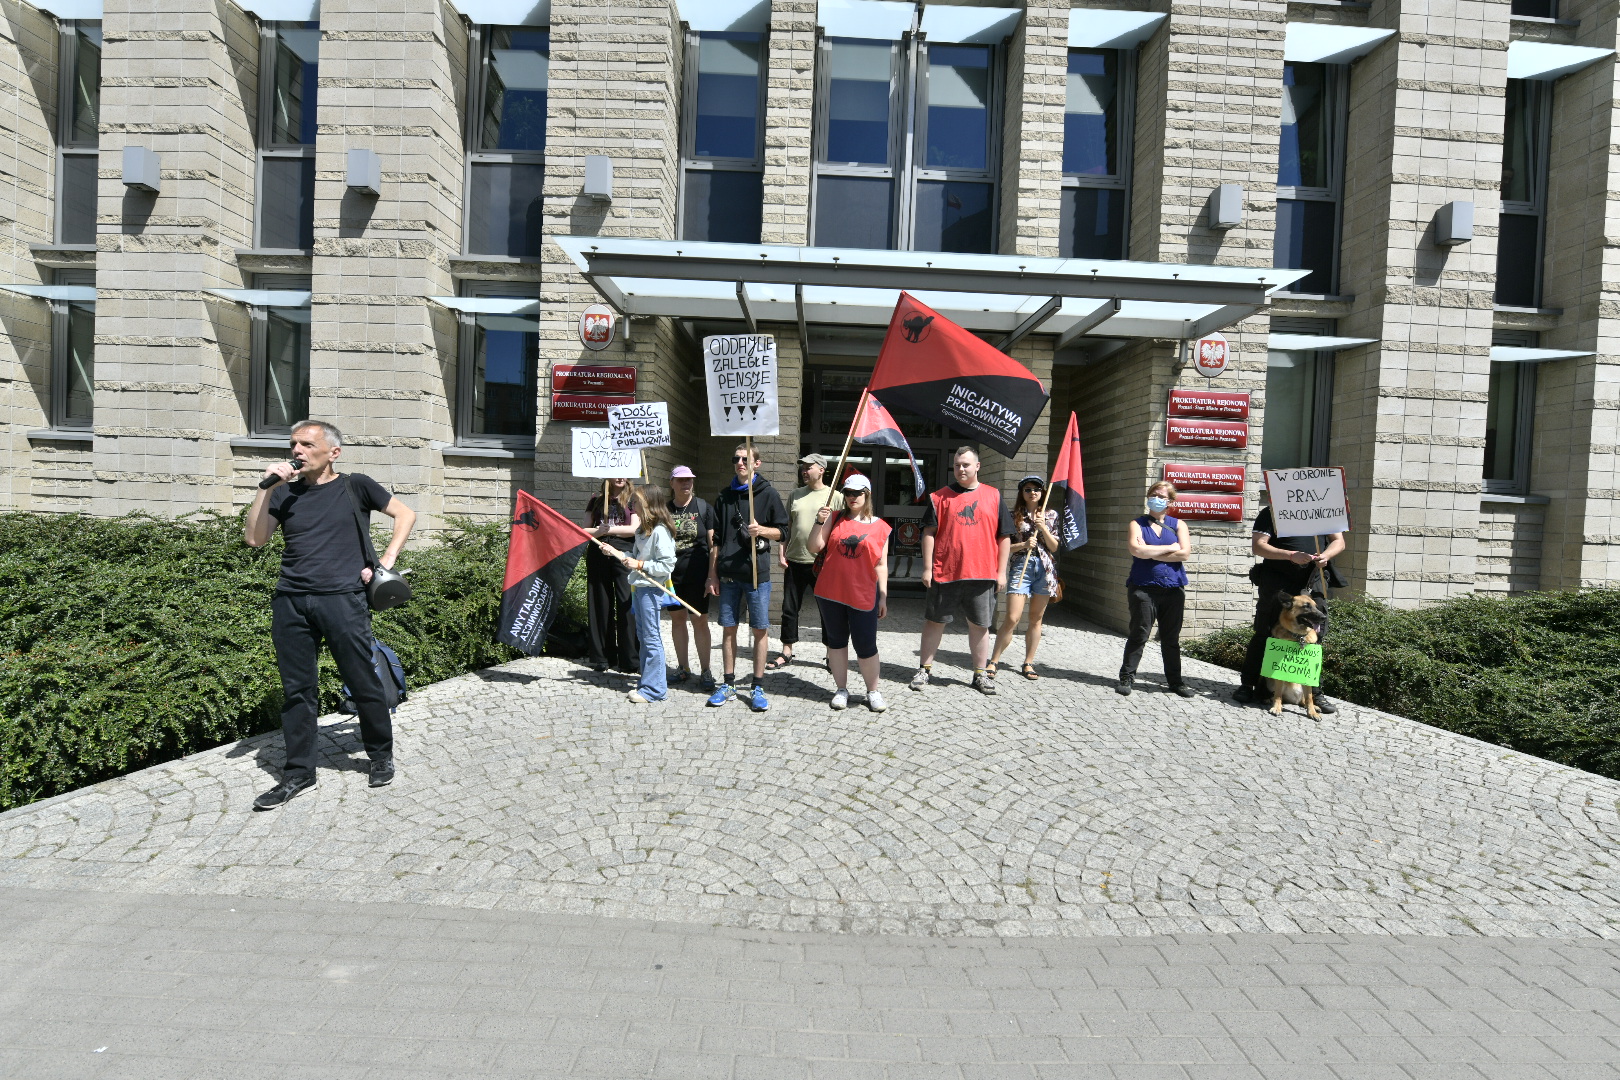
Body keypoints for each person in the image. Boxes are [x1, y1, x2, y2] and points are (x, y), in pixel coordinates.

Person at [243, 419, 416, 809]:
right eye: (293, 444)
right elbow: (255, 539)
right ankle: (299, 773)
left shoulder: (356, 485)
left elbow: (405, 515)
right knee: (297, 691)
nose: (297, 451)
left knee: (361, 678)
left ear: (333, 452)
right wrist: (264, 488)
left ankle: (380, 754)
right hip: (291, 601)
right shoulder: (282, 493)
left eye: (306, 444)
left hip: (343, 598)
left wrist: (386, 560)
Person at [912, 446, 1013, 696]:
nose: (961, 469)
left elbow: (1004, 537)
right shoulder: (939, 497)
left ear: (977, 466)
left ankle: (980, 674)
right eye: (957, 465)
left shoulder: (994, 496)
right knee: (934, 621)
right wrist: (927, 568)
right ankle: (925, 668)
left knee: (980, 625)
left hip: (982, 573)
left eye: (966, 464)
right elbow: (928, 533)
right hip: (945, 572)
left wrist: (1002, 572)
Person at [1232, 494, 1345, 712]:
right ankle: (1249, 685)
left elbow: (1338, 541)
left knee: (1316, 637)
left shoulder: (1324, 510)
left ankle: (1315, 693)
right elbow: (1258, 546)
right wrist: (1290, 555)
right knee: (1264, 632)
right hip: (1278, 583)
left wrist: (1327, 556)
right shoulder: (1271, 513)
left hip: (1314, 579)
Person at [706, 442, 789, 711]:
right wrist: (712, 575)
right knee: (728, 629)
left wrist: (762, 530)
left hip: (757, 575)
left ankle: (757, 686)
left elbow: (783, 532)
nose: (740, 463)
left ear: (756, 463)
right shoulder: (724, 496)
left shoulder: (768, 493)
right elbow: (716, 540)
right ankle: (729, 683)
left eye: (745, 458)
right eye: (736, 458)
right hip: (728, 575)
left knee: (760, 629)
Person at [808, 473, 891, 712]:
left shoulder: (881, 527)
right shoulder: (833, 518)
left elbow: (881, 565)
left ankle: (873, 690)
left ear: (868, 494)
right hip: (830, 591)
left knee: (866, 645)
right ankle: (841, 689)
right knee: (836, 642)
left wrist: (883, 595)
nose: (852, 497)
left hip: (863, 593)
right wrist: (818, 521)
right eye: (848, 493)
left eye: (858, 493)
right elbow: (814, 547)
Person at [598, 485, 678, 704]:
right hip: (640, 588)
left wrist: (641, 564)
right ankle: (647, 683)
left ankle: (655, 690)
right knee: (643, 637)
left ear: (648, 504)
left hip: (652, 590)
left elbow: (667, 565)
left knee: (651, 639)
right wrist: (614, 552)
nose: (632, 506)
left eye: (635, 502)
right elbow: (631, 557)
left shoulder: (660, 531)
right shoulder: (643, 530)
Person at [1118, 480, 1193, 697]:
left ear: (1170, 501)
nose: (1157, 498)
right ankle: (1127, 676)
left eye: (1162, 496)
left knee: (1171, 638)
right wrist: (1170, 548)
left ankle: (1175, 682)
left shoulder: (1179, 525)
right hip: (1142, 587)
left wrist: (1148, 550)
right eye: (1154, 494)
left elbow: (1184, 554)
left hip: (1173, 589)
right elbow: (1136, 550)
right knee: (1139, 633)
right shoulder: (1137, 523)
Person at [989, 475, 1060, 681]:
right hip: (1022, 566)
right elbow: (1002, 547)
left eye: (1036, 489)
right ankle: (994, 660)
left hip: (1045, 568)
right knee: (1012, 617)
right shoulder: (1013, 516)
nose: (1033, 492)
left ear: (1042, 492)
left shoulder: (1050, 514)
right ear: (1022, 493)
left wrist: (1044, 528)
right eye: (1028, 489)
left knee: (1036, 619)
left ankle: (1028, 662)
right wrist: (1023, 545)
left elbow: (1055, 547)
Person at [776, 452, 843, 669]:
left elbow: (843, 530)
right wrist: (781, 552)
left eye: (809, 467)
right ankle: (787, 651)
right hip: (795, 560)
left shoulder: (836, 496)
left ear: (821, 470)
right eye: (803, 468)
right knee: (789, 608)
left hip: (823, 563)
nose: (804, 471)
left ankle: (830, 653)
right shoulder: (795, 494)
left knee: (827, 610)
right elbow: (786, 526)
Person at [667, 466, 718, 690]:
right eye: (681, 480)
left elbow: (713, 545)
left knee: (700, 621)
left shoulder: (704, 508)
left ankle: (706, 670)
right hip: (673, 576)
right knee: (678, 621)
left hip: (698, 575)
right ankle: (683, 667)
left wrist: (711, 575)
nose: (686, 484)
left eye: (689, 480)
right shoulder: (664, 510)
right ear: (672, 483)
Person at [584, 477, 639, 673]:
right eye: (615, 473)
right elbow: (584, 530)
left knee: (626, 602)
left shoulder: (633, 498)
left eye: (624, 473)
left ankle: (630, 659)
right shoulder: (596, 499)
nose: (620, 477)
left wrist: (610, 530)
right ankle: (603, 656)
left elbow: (634, 528)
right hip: (598, 551)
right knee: (600, 603)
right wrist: (600, 531)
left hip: (623, 552)